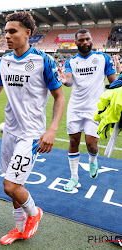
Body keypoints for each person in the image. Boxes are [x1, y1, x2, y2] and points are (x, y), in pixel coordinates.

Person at [0, 11, 65, 245]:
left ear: (28, 33)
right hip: (10, 132)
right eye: (6, 32)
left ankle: (35, 213)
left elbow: (59, 98)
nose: (7, 36)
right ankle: (19, 229)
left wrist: (52, 130)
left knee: (10, 185)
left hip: (31, 134)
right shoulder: (4, 61)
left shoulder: (44, 61)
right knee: (14, 185)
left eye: (13, 31)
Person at [58, 29, 116, 192]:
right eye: (81, 40)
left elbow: (113, 82)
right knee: (73, 141)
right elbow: (69, 80)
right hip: (75, 107)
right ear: (75, 43)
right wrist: (65, 81)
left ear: (92, 40)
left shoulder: (103, 58)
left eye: (87, 39)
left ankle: (93, 160)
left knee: (91, 144)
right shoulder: (71, 62)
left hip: (95, 108)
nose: (85, 42)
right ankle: (74, 178)